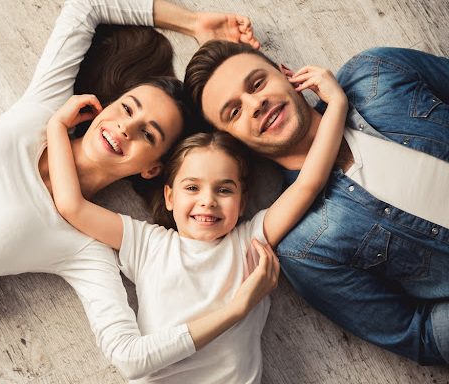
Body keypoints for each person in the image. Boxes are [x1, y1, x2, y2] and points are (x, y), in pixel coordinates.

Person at [0, 0, 263, 379]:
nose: (126, 127)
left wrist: (237, 309)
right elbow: (87, 6)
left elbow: (129, 356)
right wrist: (193, 23)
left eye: (147, 133)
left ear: (152, 168)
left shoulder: (83, 246)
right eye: (127, 108)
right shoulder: (42, 109)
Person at [45, 61, 347, 382]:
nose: (208, 200)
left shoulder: (250, 243)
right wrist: (56, 128)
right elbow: (71, 205)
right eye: (192, 187)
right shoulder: (146, 243)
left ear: (242, 201)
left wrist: (337, 105)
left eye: (224, 189)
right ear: (170, 197)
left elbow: (307, 183)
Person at [183, 41, 449, 365]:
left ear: (286, 74)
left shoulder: (376, 73)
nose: (256, 103)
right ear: (234, 143)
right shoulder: (306, 246)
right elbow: (417, 334)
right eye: (235, 112)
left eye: (257, 83)